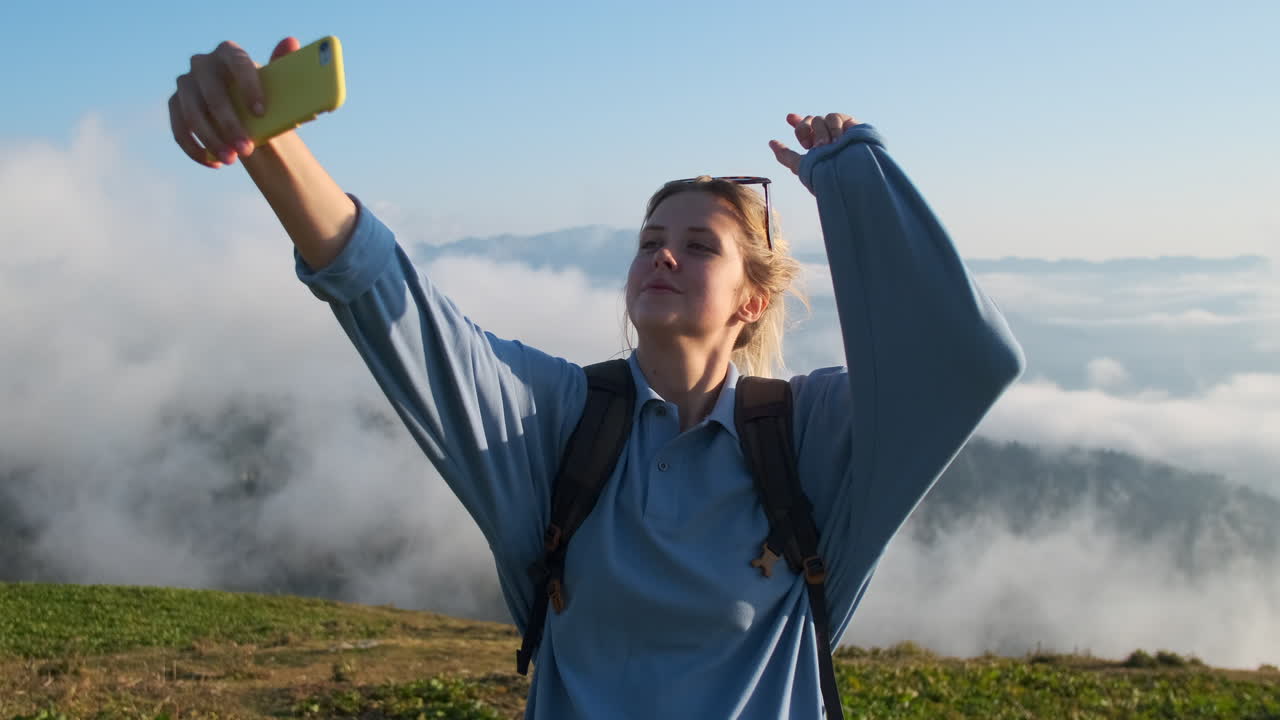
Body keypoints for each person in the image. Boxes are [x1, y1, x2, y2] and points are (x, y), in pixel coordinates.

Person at [171, 36, 1024, 719]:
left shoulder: (812, 439)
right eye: (651, 238)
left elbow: (964, 361)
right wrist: (269, 144)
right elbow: (394, 306)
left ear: (753, 301)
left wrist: (854, 175)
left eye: (699, 246)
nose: (663, 252)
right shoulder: (559, 422)